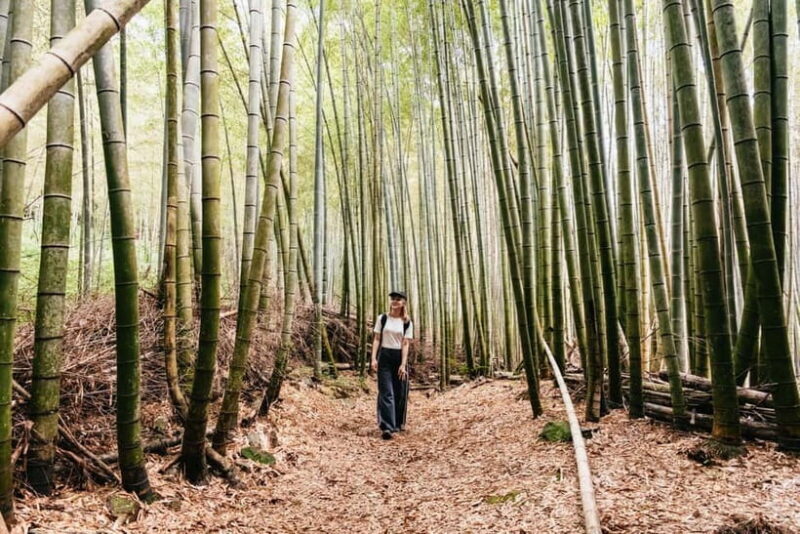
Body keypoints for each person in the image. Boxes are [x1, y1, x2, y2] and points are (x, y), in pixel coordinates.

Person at [370, 290, 413, 440]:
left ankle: (397, 423)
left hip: (399, 356)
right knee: (386, 391)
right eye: (393, 298)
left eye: (398, 299)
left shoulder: (407, 322)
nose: (395, 301)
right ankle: (387, 427)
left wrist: (403, 364)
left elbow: (406, 343)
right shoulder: (382, 318)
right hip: (385, 356)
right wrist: (373, 358)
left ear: (403, 303)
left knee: (399, 391)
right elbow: (376, 338)